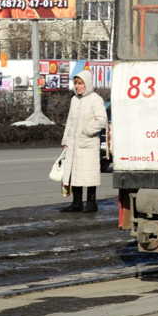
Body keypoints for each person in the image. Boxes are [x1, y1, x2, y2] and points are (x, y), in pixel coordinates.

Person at [60, 71, 108, 213]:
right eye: (75, 83)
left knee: (88, 173)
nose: (77, 86)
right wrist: (65, 139)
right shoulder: (74, 100)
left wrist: (87, 131)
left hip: (88, 143)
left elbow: (102, 120)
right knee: (74, 173)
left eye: (80, 83)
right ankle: (76, 203)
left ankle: (91, 203)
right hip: (73, 143)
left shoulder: (95, 99)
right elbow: (69, 121)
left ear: (87, 84)